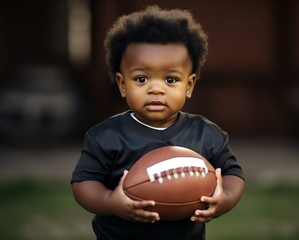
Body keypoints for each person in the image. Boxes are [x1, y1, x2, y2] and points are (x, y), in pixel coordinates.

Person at [71, 6, 245, 240]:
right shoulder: (106, 136)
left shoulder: (206, 134)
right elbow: (84, 183)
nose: (155, 88)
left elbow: (233, 173)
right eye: (141, 79)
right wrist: (110, 202)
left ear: (189, 85)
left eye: (170, 79)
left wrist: (225, 199)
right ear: (123, 85)